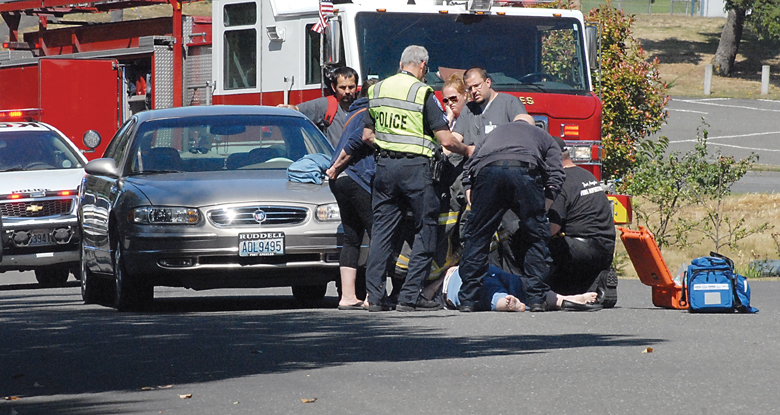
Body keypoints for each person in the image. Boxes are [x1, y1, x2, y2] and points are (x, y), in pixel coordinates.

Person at [361, 45, 473, 312]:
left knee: (382, 234)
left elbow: (366, 136)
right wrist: (467, 150)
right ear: (422, 65)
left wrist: (389, 145)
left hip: (385, 168)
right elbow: (445, 139)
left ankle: (375, 298)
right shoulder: (421, 92)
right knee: (426, 230)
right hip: (417, 171)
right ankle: (409, 297)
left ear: (401, 63)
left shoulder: (376, 89)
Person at [457, 118, 569, 313]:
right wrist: (544, 206)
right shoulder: (544, 136)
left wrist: (470, 194)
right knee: (536, 237)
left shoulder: (493, 134)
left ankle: (468, 299)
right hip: (524, 171)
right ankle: (536, 299)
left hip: (488, 171)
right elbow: (556, 174)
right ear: (532, 125)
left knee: (477, 237)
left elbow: (469, 166)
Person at [325, 78, 380, 310]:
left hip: (340, 182)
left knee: (352, 236)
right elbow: (359, 140)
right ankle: (371, 295)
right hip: (355, 177)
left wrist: (335, 171)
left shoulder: (352, 113)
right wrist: (337, 166)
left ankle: (347, 296)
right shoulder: (369, 113)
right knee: (377, 234)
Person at [547, 136, 617, 303]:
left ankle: (540, 290)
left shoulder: (560, 182)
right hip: (605, 249)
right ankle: (595, 283)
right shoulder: (586, 175)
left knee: (533, 243)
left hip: (580, 250)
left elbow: (552, 229)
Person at [423, 266, 601, 312]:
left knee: (491, 292)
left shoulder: (425, 280)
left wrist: (441, 277)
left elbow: (425, 295)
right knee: (516, 284)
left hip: (460, 278)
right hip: (459, 278)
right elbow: (426, 294)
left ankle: (506, 302)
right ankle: (562, 299)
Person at [452, 67, 534, 148]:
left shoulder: (509, 102)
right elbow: (456, 137)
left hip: (500, 158)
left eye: (477, 85)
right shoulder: (468, 109)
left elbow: (525, 121)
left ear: (488, 82)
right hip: (473, 159)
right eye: (469, 88)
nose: (473, 91)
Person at [278, 66, 358, 147]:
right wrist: (287, 109)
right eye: (342, 88)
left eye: (351, 87)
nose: (347, 91)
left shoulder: (363, 106)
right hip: (336, 158)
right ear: (334, 87)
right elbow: (298, 110)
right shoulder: (326, 104)